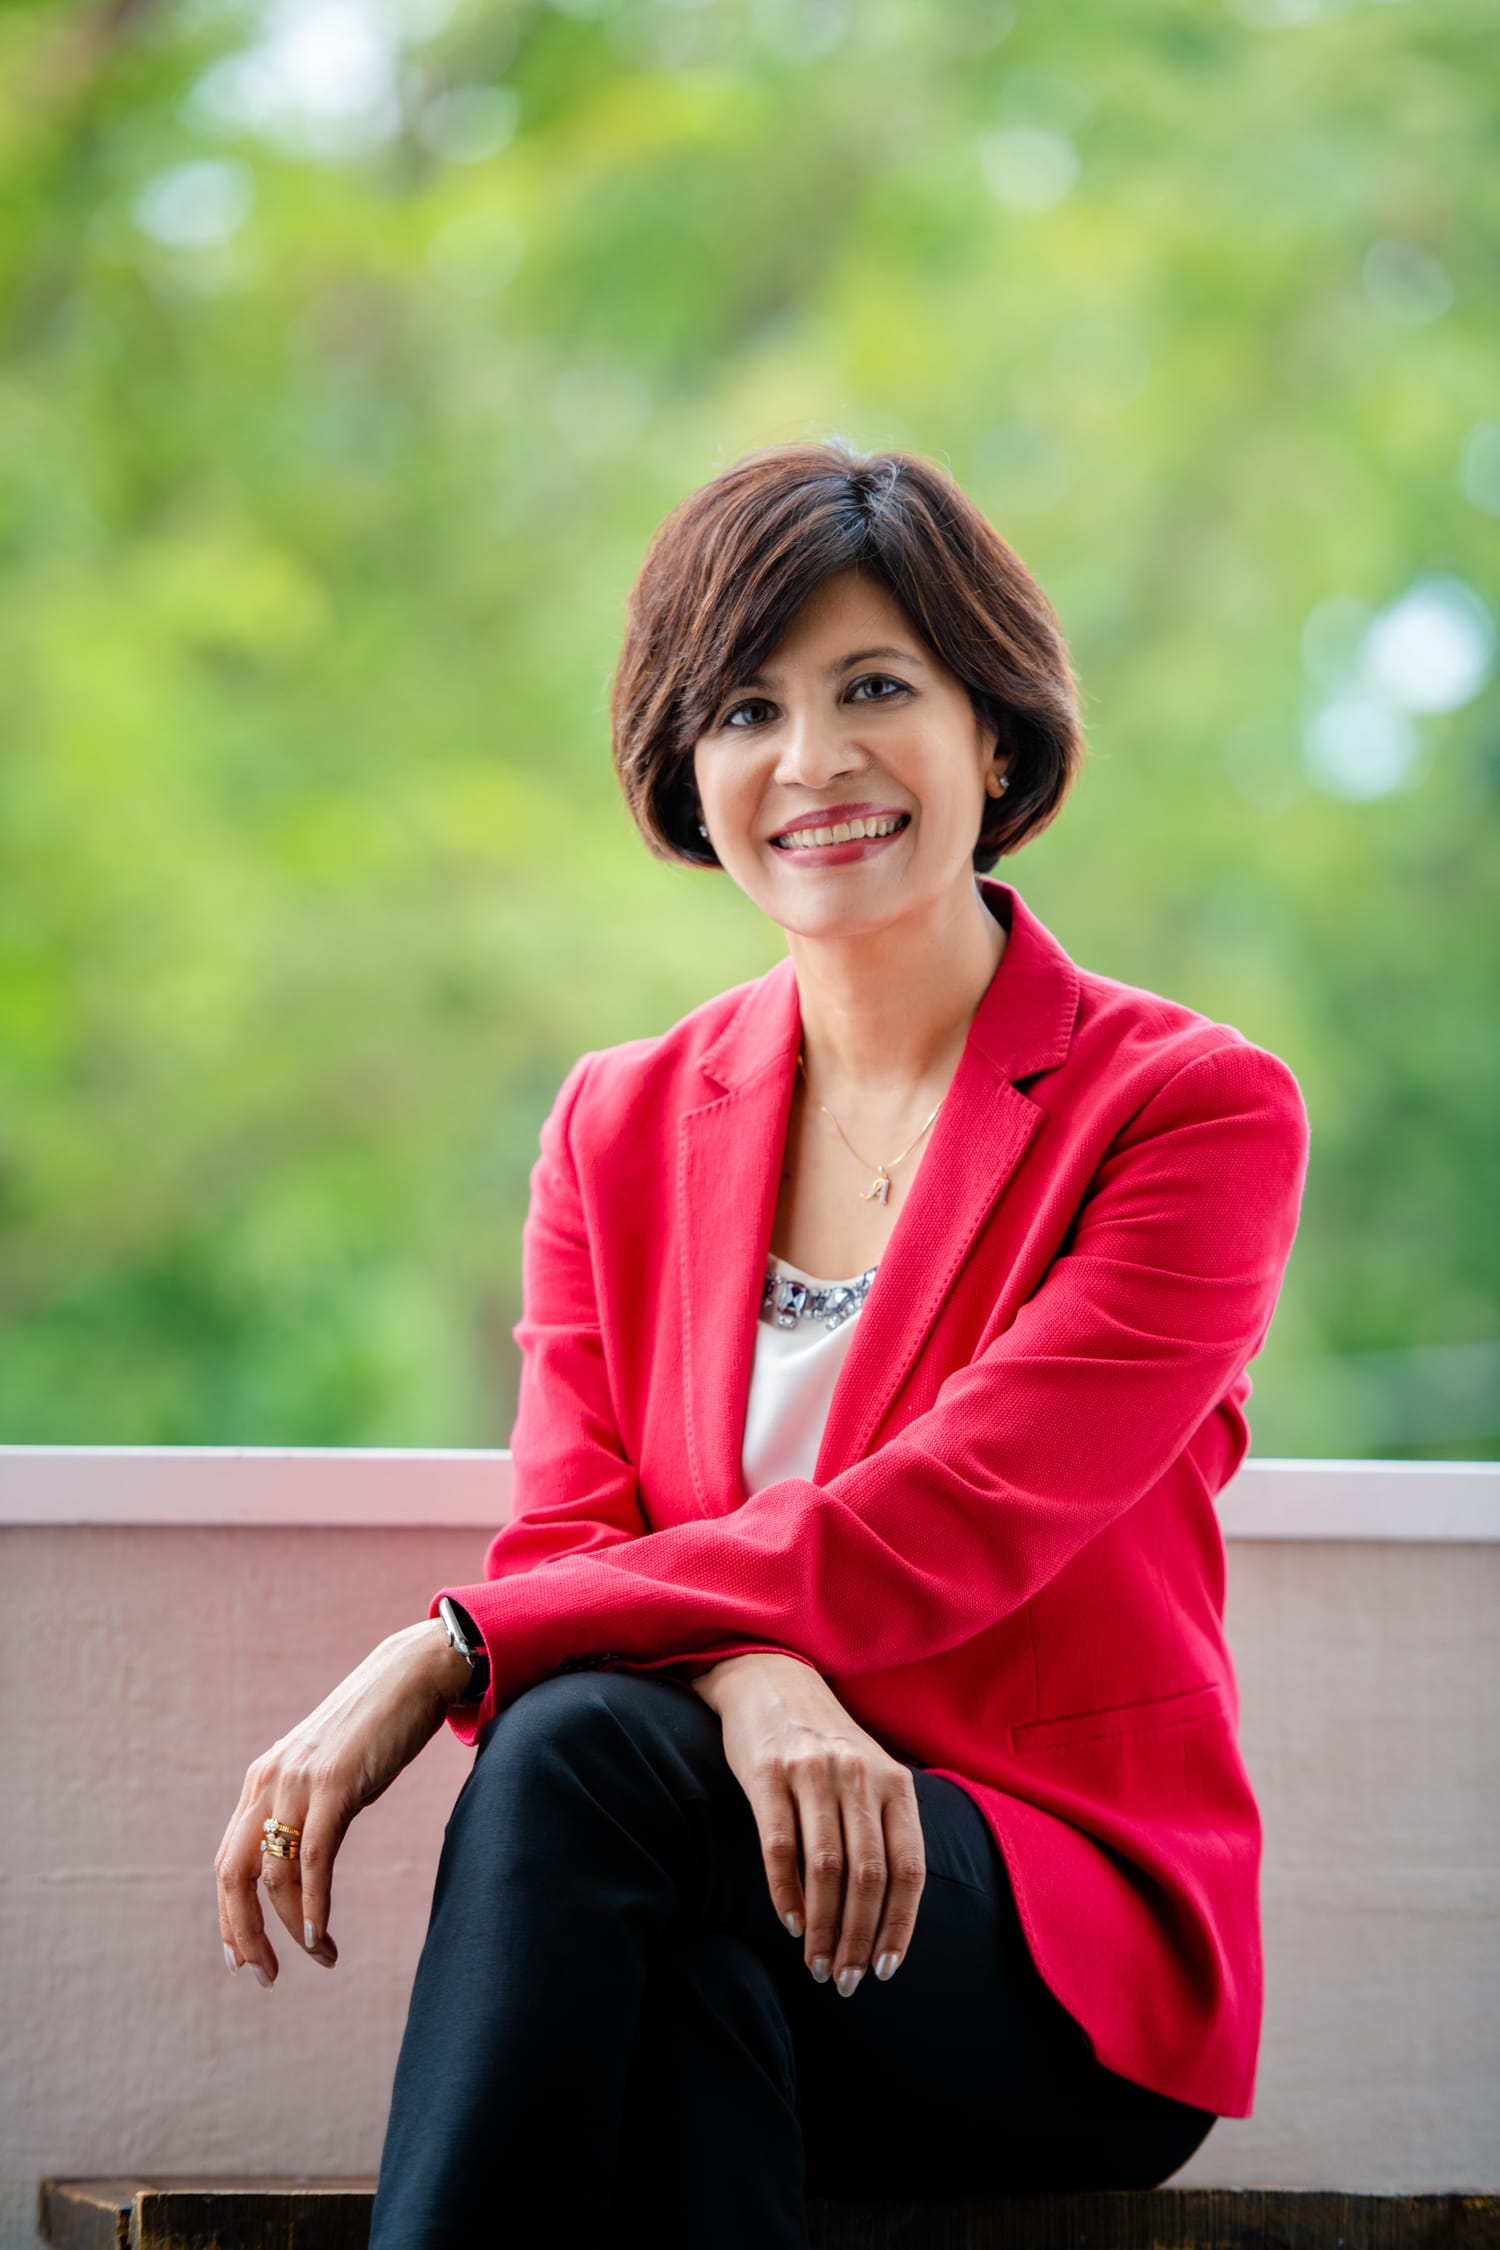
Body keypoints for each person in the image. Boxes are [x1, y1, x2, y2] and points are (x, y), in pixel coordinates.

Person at [214, 441, 1311, 2248]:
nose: (812, 762)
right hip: (724, 1893)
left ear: (999, 736)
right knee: (688, 2018)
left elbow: (943, 1525)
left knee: (565, 1741)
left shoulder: (1187, 1112)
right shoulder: (617, 1121)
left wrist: (447, 1653)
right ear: (685, 769)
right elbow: (579, 1530)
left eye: (876, 688)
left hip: (1041, 1939)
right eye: (744, 707)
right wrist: (751, 1677)